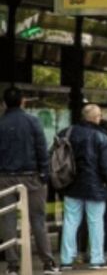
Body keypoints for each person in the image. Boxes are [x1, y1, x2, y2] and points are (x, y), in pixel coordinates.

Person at [0, 88, 59, 275]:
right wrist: (44, 175)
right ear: (23, 101)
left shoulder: (0, 123)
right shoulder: (33, 122)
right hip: (32, 177)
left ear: (4, 104)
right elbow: (41, 149)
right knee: (38, 220)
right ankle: (48, 263)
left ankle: (12, 265)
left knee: (8, 219)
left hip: (5, 178)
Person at [59, 104, 107, 271]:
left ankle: (66, 259)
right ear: (96, 117)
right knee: (95, 222)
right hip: (95, 186)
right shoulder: (103, 138)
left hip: (70, 184)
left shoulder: (67, 132)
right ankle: (96, 259)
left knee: (70, 221)